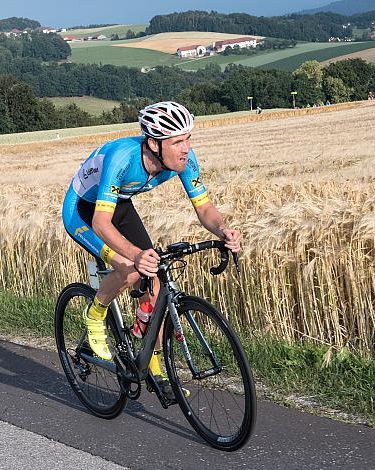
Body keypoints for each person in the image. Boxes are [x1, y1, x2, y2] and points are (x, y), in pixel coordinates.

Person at [61, 101, 242, 399]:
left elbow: (204, 207)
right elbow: (101, 223)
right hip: (83, 211)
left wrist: (222, 229)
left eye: (188, 139)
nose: (186, 148)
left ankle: (153, 361)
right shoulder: (122, 159)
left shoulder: (184, 160)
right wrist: (134, 255)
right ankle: (95, 313)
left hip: (118, 204)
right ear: (155, 144)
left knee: (156, 285)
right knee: (131, 270)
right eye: (177, 141)